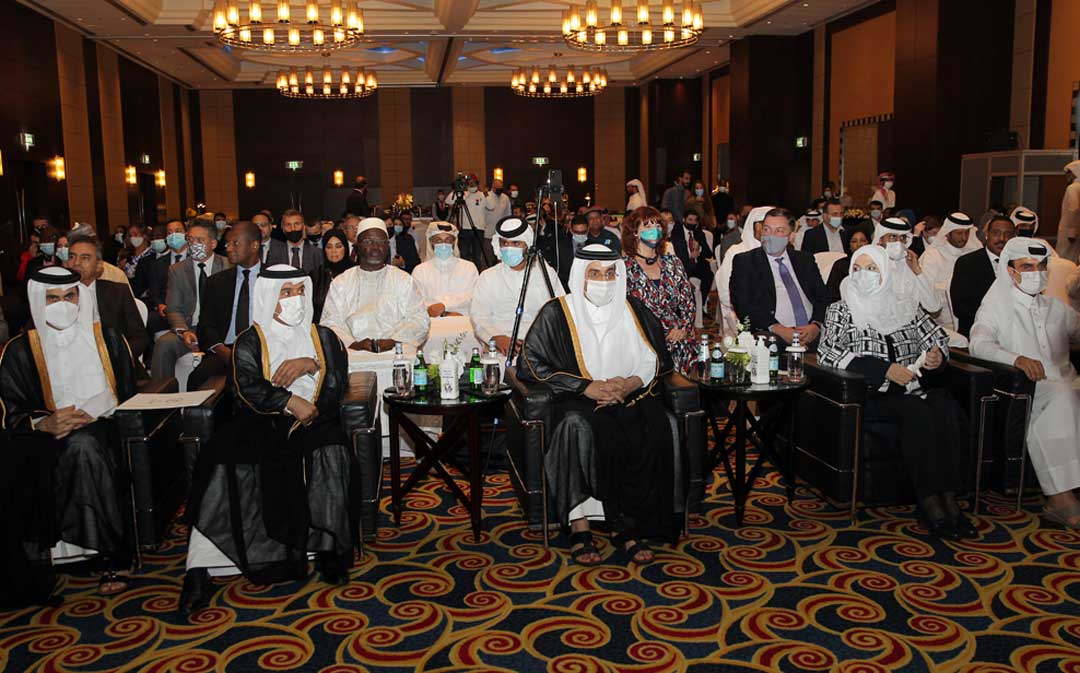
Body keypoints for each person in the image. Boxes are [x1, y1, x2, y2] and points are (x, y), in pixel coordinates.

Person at [178, 265, 355, 616]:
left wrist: (312, 364)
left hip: (316, 419)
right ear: (268, 297)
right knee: (222, 459)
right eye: (285, 293)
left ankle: (329, 550)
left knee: (332, 450)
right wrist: (288, 401)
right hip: (261, 420)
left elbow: (337, 377)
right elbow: (247, 387)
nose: (294, 300)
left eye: (299, 292)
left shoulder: (325, 337)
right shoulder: (250, 339)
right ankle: (200, 567)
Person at [516, 243, 683, 566]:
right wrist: (586, 387)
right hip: (577, 400)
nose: (603, 280)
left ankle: (625, 524)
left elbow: (653, 358)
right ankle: (580, 528)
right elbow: (531, 363)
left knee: (656, 424)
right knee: (576, 427)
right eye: (595, 273)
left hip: (627, 395)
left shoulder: (632, 309)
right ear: (580, 276)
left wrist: (629, 383)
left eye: (610, 273)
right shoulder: (557, 311)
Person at [817, 245, 975, 539]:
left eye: (873, 268)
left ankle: (950, 498)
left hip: (914, 390)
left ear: (886, 273)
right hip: (873, 395)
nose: (864, 275)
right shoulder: (841, 309)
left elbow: (937, 338)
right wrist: (883, 369)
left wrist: (937, 356)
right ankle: (930, 503)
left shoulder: (906, 306)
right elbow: (828, 352)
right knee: (915, 410)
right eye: (858, 268)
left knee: (944, 407)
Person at [1, 267, 139, 597]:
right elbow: (10, 409)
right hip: (41, 436)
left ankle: (110, 554)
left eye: (69, 296)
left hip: (103, 425)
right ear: (38, 301)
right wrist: (43, 424)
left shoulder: (107, 339)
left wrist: (90, 412)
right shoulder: (19, 351)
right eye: (52, 299)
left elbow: (128, 391)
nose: (62, 304)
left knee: (85, 446)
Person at [970, 237, 1080, 529]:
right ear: (1011, 271)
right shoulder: (997, 305)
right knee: (1061, 398)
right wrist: (1016, 358)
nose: (1036, 272)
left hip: (1067, 380)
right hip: (1030, 387)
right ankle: (1060, 497)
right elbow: (978, 344)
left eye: (1041, 266)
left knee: (1068, 393)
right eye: (1027, 266)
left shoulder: (1055, 307)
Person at [319, 218, 429, 356]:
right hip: (352, 355)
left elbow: (420, 320)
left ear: (387, 245)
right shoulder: (342, 282)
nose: (375, 247)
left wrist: (393, 340)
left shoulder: (403, 279)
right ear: (357, 245)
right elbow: (330, 323)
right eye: (368, 242)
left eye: (381, 242)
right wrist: (353, 344)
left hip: (397, 352)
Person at [731, 208, 830, 348]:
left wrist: (816, 325)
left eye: (779, 231)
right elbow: (743, 304)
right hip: (772, 333)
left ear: (791, 236)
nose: (770, 236)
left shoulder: (804, 260)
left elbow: (823, 297)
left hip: (812, 330)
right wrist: (777, 328)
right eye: (766, 229)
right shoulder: (746, 262)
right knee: (767, 344)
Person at [470, 216, 565, 357]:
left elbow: (559, 313)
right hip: (498, 349)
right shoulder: (488, 277)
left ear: (527, 246)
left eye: (515, 243)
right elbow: (479, 316)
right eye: (504, 243)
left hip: (539, 348)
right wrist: (496, 338)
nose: (509, 248)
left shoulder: (546, 274)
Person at [188, 221, 263, 392]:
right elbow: (206, 325)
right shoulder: (217, 282)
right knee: (197, 378)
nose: (228, 248)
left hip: (261, 350)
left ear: (254, 245)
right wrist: (223, 351)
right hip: (226, 350)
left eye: (235, 243)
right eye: (227, 243)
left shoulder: (273, 280)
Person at [622, 207, 697, 375]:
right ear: (635, 232)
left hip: (679, 335)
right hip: (644, 337)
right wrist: (664, 333)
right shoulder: (625, 267)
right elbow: (625, 312)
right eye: (648, 226)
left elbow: (688, 302)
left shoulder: (673, 263)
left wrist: (683, 328)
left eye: (657, 225)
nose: (654, 230)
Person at [153, 223, 231, 380]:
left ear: (213, 243)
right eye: (190, 239)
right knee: (163, 344)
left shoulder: (227, 266)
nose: (194, 244)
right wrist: (183, 331)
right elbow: (173, 308)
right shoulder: (177, 270)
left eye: (200, 240)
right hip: (190, 328)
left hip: (219, 331)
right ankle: (162, 396)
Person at [66, 234, 150, 362]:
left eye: (85, 257)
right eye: (72, 257)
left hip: (114, 364)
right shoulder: (55, 295)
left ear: (99, 265)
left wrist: (114, 360)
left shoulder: (117, 292)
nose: (76, 263)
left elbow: (140, 338)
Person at [951, 215, 1016, 337]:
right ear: (987, 235)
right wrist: (995, 320)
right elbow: (960, 307)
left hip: (1014, 331)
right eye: (996, 233)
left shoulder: (1019, 264)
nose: (1002, 238)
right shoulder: (967, 263)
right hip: (978, 330)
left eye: (1008, 234)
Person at [919, 212, 982, 331]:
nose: (964, 237)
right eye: (959, 233)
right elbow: (927, 289)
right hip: (943, 319)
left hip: (971, 315)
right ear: (948, 233)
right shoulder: (933, 255)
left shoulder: (973, 253)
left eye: (966, 233)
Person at [715, 206, 772, 337]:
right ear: (755, 226)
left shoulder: (779, 252)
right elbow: (725, 289)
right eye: (765, 226)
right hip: (744, 314)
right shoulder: (737, 252)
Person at [412, 222, 478, 318]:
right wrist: (444, 314)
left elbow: (473, 297)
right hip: (432, 323)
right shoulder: (420, 271)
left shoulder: (468, 268)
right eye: (438, 240)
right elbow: (416, 302)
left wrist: (444, 305)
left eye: (448, 240)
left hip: (463, 319)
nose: (443, 244)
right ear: (431, 242)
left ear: (454, 242)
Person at [446, 174, 489, 269]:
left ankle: (477, 274)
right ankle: (464, 274)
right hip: (465, 229)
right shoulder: (464, 194)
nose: (471, 185)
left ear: (477, 184)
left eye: (473, 183)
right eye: (469, 183)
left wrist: (485, 192)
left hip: (479, 229)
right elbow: (449, 201)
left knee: (477, 256)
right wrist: (458, 189)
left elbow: (491, 206)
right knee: (464, 255)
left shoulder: (482, 195)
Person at [311, 229, 354, 322]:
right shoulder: (316, 275)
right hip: (323, 328)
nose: (334, 251)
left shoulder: (355, 273)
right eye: (329, 247)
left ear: (345, 248)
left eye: (338, 246)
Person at [669, 209, 715, 297]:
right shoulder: (677, 232)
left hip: (697, 264)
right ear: (684, 220)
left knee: (709, 275)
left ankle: (702, 304)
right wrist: (689, 255)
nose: (692, 223)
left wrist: (699, 248)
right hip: (683, 264)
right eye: (690, 220)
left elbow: (709, 254)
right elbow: (677, 252)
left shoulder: (699, 233)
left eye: (695, 220)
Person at [825, 227, 871, 302]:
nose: (859, 244)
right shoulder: (841, 265)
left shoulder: (876, 263)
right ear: (849, 245)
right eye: (854, 241)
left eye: (863, 241)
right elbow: (831, 294)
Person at [556, 215, 591, 290]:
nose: (580, 235)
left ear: (588, 229)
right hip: (566, 288)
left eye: (583, 232)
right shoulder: (560, 246)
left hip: (589, 287)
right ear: (571, 230)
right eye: (577, 232)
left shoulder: (594, 246)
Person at [1056, 160, 1080, 256]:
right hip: (1076, 230)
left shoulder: (1073, 188)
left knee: (1065, 256)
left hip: (1069, 232)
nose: (1067, 175)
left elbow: (1073, 210)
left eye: (1069, 172)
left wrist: (1071, 233)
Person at [484, 179, 512, 247]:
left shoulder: (505, 198)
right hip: (488, 231)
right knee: (488, 253)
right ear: (493, 186)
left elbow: (508, 214)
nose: (499, 189)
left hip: (500, 232)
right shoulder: (486, 196)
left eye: (501, 188)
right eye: (497, 188)